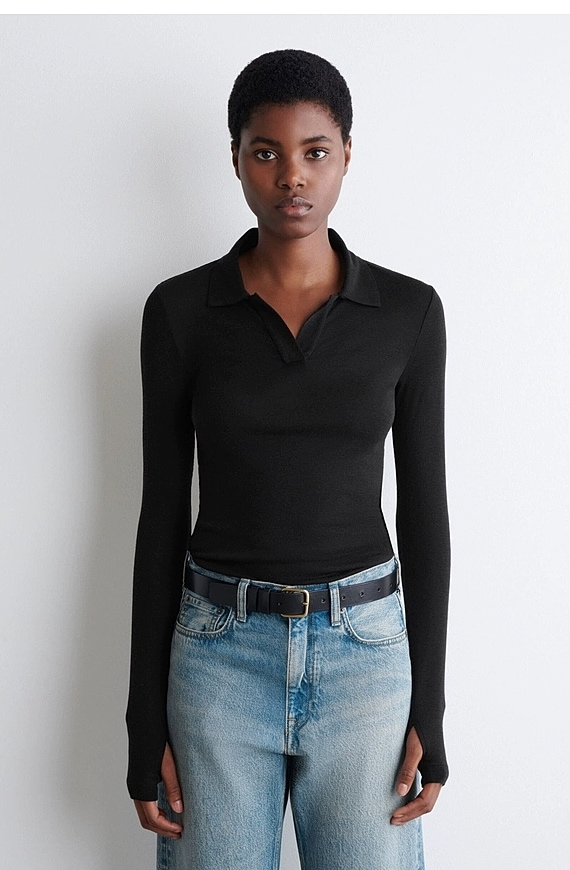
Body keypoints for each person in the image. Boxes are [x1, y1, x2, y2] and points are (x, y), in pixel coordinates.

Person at [126, 49, 451, 870]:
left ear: (347, 155)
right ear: (236, 158)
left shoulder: (408, 312)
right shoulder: (180, 312)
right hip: (218, 655)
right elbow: (161, 514)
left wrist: (432, 707)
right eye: (266, 152)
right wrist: (143, 722)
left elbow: (425, 513)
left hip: (367, 659)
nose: (292, 176)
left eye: (315, 151)